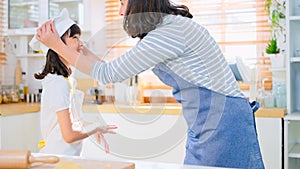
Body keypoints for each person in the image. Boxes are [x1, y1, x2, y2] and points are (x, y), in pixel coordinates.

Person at [35, 1, 264, 168]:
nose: (120, 11)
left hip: (220, 123)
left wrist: (57, 44)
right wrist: (85, 52)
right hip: (212, 120)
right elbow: (115, 71)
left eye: (123, 2)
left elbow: (108, 73)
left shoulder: (164, 35)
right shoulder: (170, 26)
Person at [30, 8, 117, 156]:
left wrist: (95, 127)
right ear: (58, 46)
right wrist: (95, 127)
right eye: (75, 38)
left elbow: (74, 122)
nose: (81, 44)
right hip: (57, 160)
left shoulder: (66, 80)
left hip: (66, 158)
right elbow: (69, 135)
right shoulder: (58, 83)